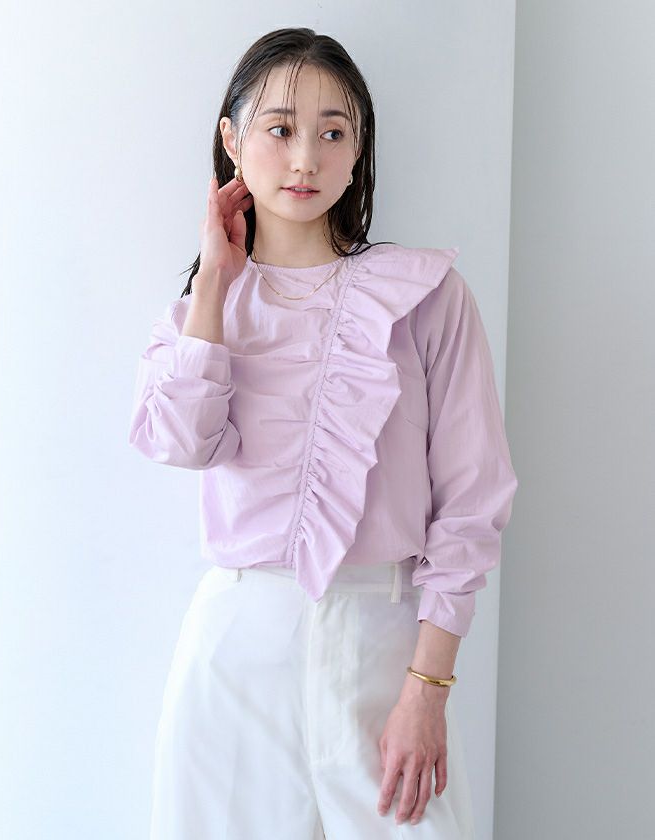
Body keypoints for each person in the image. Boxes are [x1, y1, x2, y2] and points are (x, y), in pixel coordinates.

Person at [128, 27, 518, 840]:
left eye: (333, 132)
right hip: (236, 649)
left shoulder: (428, 298)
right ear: (232, 139)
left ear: (358, 147)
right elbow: (181, 444)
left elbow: (473, 504)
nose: (306, 157)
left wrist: (428, 690)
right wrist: (214, 285)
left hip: (384, 641)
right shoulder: (199, 317)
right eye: (279, 129)